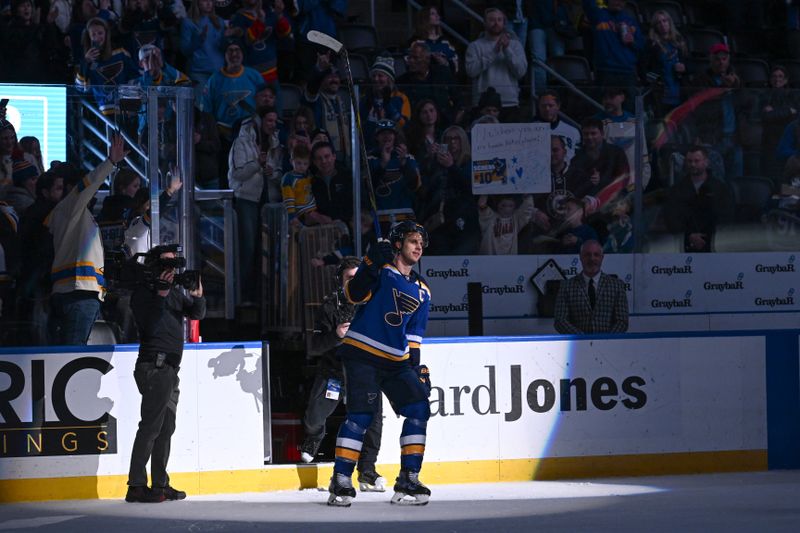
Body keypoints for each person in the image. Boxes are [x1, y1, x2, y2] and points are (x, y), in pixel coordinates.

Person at [327, 221, 432, 507]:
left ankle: (409, 477)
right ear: (397, 244)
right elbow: (354, 294)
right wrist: (370, 262)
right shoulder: (382, 272)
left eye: (421, 242)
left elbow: (413, 337)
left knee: (419, 407)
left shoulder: (424, 291)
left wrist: (416, 368)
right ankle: (341, 479)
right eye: (412, 241)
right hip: (362, 353)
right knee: (361, 416)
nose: (419, 246)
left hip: (396, 362)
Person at [126, 244, 206, 503]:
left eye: (174, 265)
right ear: (153, 265)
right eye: (166, 264)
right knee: (151, 426)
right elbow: (148, 324)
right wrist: (160, 294)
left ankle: (160, 484)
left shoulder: (172, 293)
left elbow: (197, 313)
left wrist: (197, 295)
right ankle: (136, 486)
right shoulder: (143, 293)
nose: (171, 270)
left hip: (170, 369)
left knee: (166, 427)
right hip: (154, 366)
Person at [299, 256, 386, 493]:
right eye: (349, 278)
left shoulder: (375, 303)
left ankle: (367, 471)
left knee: (373, 423)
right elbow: (314, 346)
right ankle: (314, 438)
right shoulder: (329, 306)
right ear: (340, 280)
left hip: (366, 374)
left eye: (358, 278)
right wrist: (336, 335)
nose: (354, 282)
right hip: (334, 372)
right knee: (314, 417)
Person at [45, 135, 127, 345]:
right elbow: (87, 185)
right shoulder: (70, 207)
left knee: (66, 354)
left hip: (72, 290)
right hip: (79, 291)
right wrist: (110, 163)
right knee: (72, 356)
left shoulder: (67, 214)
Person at [663, 145, 735, 253]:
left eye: (697, 161)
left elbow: (727, 217)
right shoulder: (676, 190)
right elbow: (671, 218)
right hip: (684, 247)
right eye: (689, 161)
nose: (692, 164)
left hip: (716, 245)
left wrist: (708, 237)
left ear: (706, 162)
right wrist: (689, 236)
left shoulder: (720, 189)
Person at [465, 8, 528, 123]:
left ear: (504, 23)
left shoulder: (515, 45)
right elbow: (471, 71)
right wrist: (493, 52)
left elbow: (521, 72)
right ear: (484, 23)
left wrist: (507, 50)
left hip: (509, 103)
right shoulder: (474, 46)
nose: (496, 23)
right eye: (492, 20)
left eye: (499, 20)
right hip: (482, 105)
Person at [554, 239, 628, 334]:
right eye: (587, 255)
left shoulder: (617, 286)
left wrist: (606, 340)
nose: (592, 259)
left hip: (609, 347)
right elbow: (560, 321)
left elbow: (622, 321)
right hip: (577, 346)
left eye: (596, 255)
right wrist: (583, 339)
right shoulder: (566, 286)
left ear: (602, 257)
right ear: (580, 257)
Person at [641, 10, 687, 115]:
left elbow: (689, 65)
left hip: (679, 92)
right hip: (660, 94)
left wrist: (684, 68)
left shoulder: (679, 42)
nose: (662, 24)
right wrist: (655, 81)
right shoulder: (651, 45)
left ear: (669, 22)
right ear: (655, 26)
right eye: (658, 22)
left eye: (664, 20)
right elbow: (643, 69)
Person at [281, 143, 329, 226]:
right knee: (321, 219)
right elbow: (288, 199)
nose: (302, 167)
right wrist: (292, 217)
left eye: (305, 164)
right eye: (298, 163)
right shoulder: (289, 178)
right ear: (291, 161)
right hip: (301, 212)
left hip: (314, 209)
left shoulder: (308, 175)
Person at [533, 90, 581, 164]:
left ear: (558, 106)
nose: (547, 109)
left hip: (568, 173)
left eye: (551, 105)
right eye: (543, 106)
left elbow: (577, 158)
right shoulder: (527, 130)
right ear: (538, 107)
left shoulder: (572, 131)